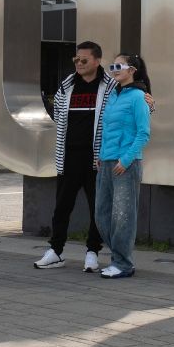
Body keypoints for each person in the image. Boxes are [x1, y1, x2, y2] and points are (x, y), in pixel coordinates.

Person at [34, 41, 112, 272]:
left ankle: (92, 252)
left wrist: (148, 101)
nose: (79, 63)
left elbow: (127, 111)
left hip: (97, 158)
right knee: (62, 207)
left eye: (84, 60)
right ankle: (56, 251)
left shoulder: (110, 87)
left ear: (97, 61)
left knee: (96, 208)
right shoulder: (67, 86)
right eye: (76, 60)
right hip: (68, 156)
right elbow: (58, 114)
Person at [95, 53, 152, 279]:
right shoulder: (113, 95)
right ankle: (119, 258)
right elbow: (107, 129)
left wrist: (125, 160)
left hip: (125, 164)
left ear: (132, 70)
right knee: (102, 214)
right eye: (112, 66)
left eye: (119, 66)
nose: (114, 69)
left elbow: (143, 133)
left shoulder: (139, 97)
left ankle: (123, 264)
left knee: (123, 216)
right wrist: (100, 156)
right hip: (106, 162)